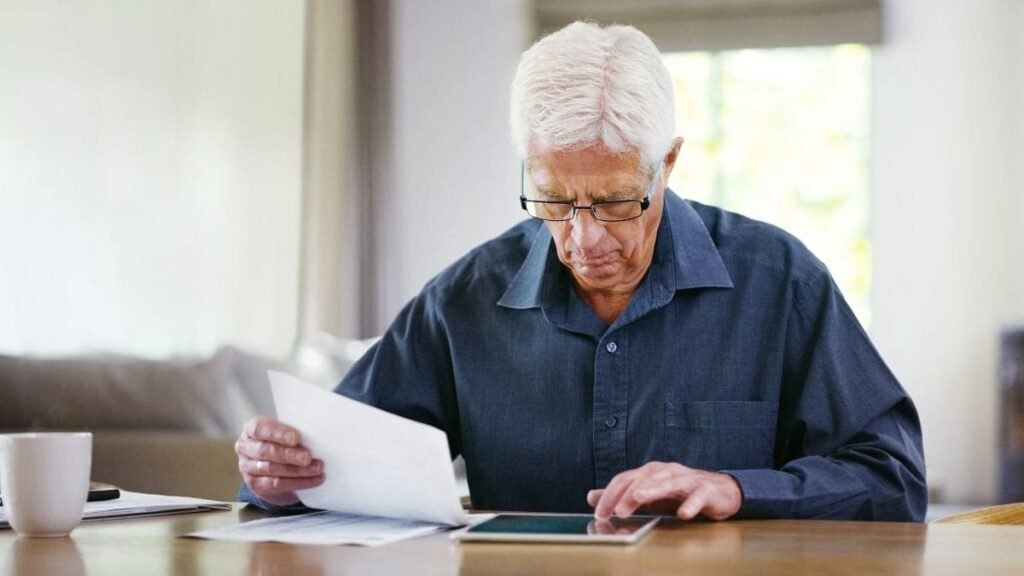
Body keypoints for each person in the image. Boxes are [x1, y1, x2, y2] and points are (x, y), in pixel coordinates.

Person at [235, 22, 927, 522]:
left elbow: (893, 479)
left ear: (670, 164)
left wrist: (737, 488)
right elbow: (341, 462)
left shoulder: (780, 282)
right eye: (555, 200)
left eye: (619, 201)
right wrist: (284, 476)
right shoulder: (463, 302)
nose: (583, 237)